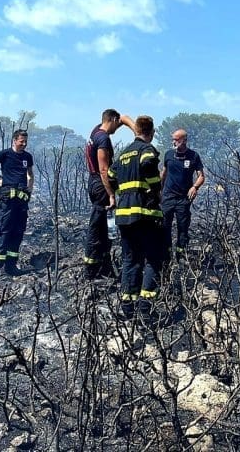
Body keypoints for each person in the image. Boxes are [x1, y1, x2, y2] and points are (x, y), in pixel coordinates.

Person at [108, 115, 165, 321]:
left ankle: (128, 305)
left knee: (130, 259)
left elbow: (111, 175)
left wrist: (121, 193)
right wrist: (155, 189)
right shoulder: (146, 149)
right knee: (153, 258)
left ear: (136, 131)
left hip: (124, 215)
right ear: (152, 132)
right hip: (144, 214)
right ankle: (145, 307)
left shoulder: (124, 153)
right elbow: (149, 164)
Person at [83, 109, 135, 279]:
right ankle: (91, 269)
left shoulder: (96, 132)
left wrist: (126, 123)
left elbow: (118, 121)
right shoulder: (103, 139)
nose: (117, 129)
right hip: (101, 186)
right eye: (116, 124)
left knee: (107, 226)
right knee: (98, 226)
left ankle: (104, 266)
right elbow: (104, 170)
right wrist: (111, 194)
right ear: (112, 119)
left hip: (94, 183)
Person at [0, 129, 34, 279]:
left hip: (22, 201)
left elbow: (30, 174)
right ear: (14, 140)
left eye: (26, 141)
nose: (24, 144)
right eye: (21, 141)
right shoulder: (5, 154)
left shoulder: (27, 157)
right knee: (3, 230)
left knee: (18, 231)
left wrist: (29, 189)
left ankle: (11, 266)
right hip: (8, 200)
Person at [160, 129, 205, 260]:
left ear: (184, 140)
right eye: (173, 139)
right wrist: (159, 190)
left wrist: (195, 187)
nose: (173, 142)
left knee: (183, 228)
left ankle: (181, 256)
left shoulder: (193, 156)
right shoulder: (168, 154)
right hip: (168, 197)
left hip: (183, 199)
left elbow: (201, 176)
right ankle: (166, 256)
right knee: (164, 227)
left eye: (176, 139)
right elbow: (164, 173)